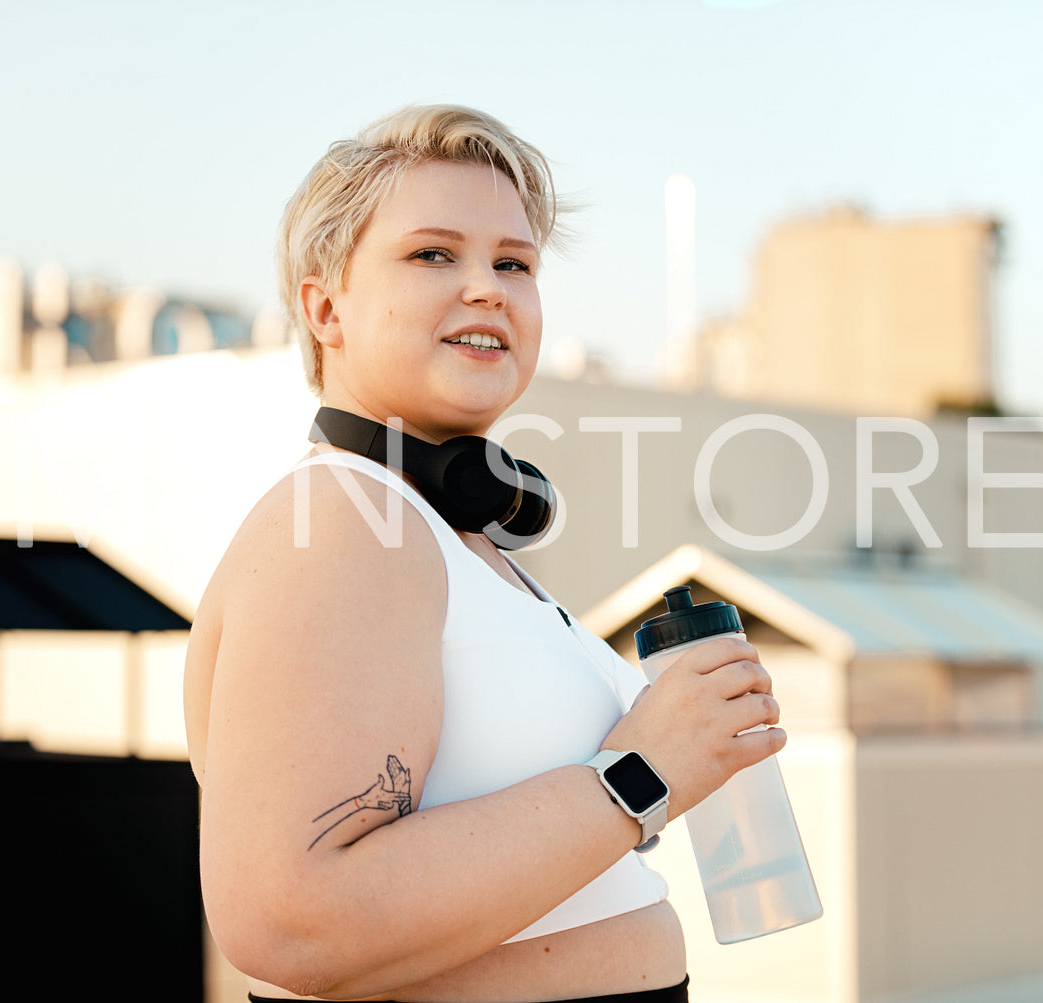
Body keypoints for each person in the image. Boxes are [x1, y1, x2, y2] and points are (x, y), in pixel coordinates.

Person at [182, 104, 785, 1003]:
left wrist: (670, 750)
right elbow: (289, 917)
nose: (488, 286)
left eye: (514, 262)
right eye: (433, 253)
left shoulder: (441, 532)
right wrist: (643, 770)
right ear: (324, 307)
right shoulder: (343, 520)